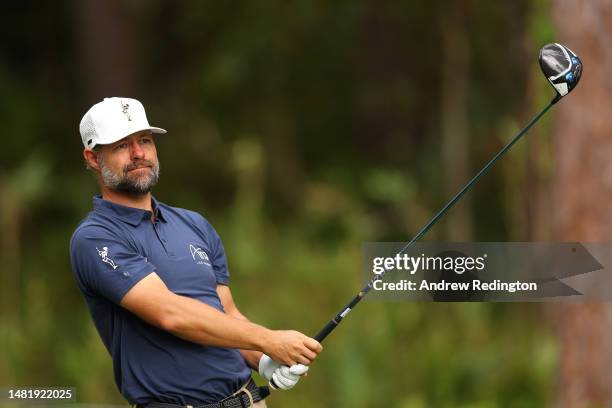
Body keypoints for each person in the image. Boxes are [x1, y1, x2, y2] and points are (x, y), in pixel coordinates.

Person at [70, 97, 322, 408]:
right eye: (122, 145)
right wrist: (269, 340)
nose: (139, 153)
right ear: (93, 158)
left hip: (248, 400)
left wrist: (263, 360)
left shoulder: (193, 224)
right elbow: (170, 313)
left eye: (145, 140)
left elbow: (227, 314)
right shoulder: (96, 238)